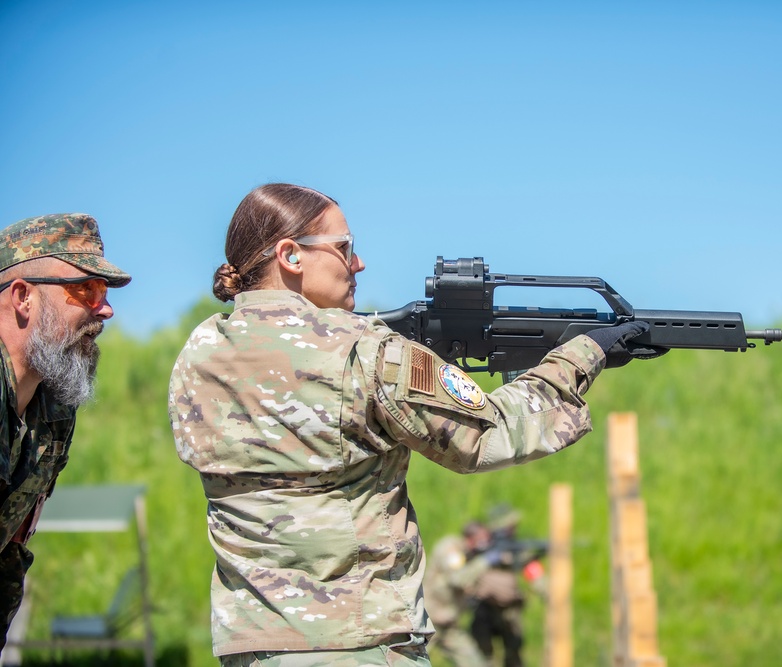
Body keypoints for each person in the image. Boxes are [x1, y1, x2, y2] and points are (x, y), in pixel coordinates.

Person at [167, 182, 658, 666]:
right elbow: (488, 434)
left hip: (251, 646)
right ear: (291, 256)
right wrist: (582, 355)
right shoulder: (365, 350)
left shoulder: (199, 352)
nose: (358, 264)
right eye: (345, 248)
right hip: (361, 644)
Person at [0, 213, 130, 648]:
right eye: (85, 289)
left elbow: (10, 547)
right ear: (23, 297)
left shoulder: (53, 406)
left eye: (105, 291)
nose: (106, 308)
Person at [469, 506, 532, 667]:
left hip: (509, 611)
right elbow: (462, 575)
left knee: (513, 655)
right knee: (482, 656)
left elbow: (532, 570)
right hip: (484, 609)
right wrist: (487, 559)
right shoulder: (481, 549)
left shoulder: (514, 550)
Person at [423, 521, 493, 667]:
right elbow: (458, 579)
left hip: (449, 624)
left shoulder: (468, 554)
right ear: (472, 537)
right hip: (429, 622)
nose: (486, 542)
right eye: (483, 538)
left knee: (474, 663)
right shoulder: (451, 549)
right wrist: (484, 562)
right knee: (411, 661)